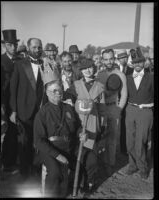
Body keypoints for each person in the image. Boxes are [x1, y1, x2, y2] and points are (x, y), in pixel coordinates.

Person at [33, 67, 80, 197]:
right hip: (49, 149)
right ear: (47, 93)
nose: (58, 93)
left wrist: (81, 133)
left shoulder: (69, 108)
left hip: (68, 146)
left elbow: (78, 128)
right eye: (53, 91)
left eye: (59, 90)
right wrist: (58, 155)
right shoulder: (42, 113)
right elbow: (38, 141)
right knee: (54, 171)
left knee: (83, 164)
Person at [64, 58, 106, 192]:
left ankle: (89, 183)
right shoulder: (76, 85)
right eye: (85, 68)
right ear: (81, 71)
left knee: (91, 160)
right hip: (78, 125)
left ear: (94, 69)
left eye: (90, 67)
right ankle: (76, 181)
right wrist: (69, 99)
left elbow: (103, 109)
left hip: (93, 125)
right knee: (78, 156)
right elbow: (68, 97)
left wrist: (103, 126)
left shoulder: (99, 87)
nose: (88, 70)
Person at [9, 38, 44, 177]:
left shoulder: (46, 65)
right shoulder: (19, 64)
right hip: (24, 109)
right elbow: (13, 88)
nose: (37, 49)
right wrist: (13, 110)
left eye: (39, 47)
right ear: (29, 48)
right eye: (35, 47)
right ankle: (24, 171)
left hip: (41, 110)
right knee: (25, 141)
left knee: (39, 140)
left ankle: (36, 167)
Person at [97, 48, 127, 174]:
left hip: (114, 107)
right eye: (106, 59)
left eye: (111, 59)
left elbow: (124, 94)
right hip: (101, 108)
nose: (109, 61)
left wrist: (118, 109)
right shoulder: (99, 74)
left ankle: (110, 163)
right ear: (102, 60)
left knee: (112, 138)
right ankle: (98, 162)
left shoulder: (120, 74)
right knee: (100, 136)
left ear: (114, 59)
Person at [125, 47, 154, 179]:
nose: (137, 64)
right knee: (129, 141)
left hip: (145, 111)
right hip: (130, 110)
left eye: (140, 62)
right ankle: (132, 165)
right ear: (133, 63)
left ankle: (143, 167)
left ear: (144, 62)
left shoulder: (151, 77)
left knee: (140, 142)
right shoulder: (127, 78)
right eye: (135, 62)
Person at [1, 29, 20, 173]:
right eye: (9, 45)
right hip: (5, 103)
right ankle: (6, 163)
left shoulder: (21, 60)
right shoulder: (2, 61)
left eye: (14, 44)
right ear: (4, 45)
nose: (13, 48)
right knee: (7, 134)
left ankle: (13, 161)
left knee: (17, 133)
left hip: (20, 102)